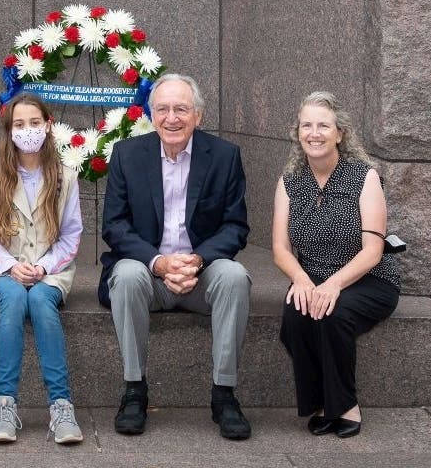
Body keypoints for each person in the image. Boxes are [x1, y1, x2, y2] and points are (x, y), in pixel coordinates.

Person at [99, 73, 252, 440]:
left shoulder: (225, 157)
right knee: (127, 274)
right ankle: (134, 390)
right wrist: (159, 263)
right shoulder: (127, 154)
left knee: (235, 277)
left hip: (201, 276)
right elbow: (115, 226)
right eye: (163, 109)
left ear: (197, 115)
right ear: (151, 115)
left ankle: (224, 394)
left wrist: (197, 260)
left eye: (181, 109)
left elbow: (235, 227)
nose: (172, 118)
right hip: (149, 276)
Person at [272, 91, 400, 439]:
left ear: (339, 134)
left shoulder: (364, 177)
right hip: (311, 276)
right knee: (296, 315)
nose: (315, 133)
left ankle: (343, 405)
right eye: (307, 125)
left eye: (324, 126)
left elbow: (373, 250)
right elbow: (280, 248)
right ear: (297, 133)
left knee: (333, 313)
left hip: (368, 278)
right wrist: (300, 279)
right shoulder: (288, 182)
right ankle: (318, 404)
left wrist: (333, 285)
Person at [0, 93, 84, 445]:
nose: (28, 130)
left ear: (48, 125)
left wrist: (44, 266)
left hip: (51, 270)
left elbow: (71, 235)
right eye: (19, 125)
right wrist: (10, 266)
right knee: (16, 300)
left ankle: (61, 407)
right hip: (0, 271)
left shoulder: (65, 177)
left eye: (35, 123)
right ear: (9, 131)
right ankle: (4, 406)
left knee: (40, 302)